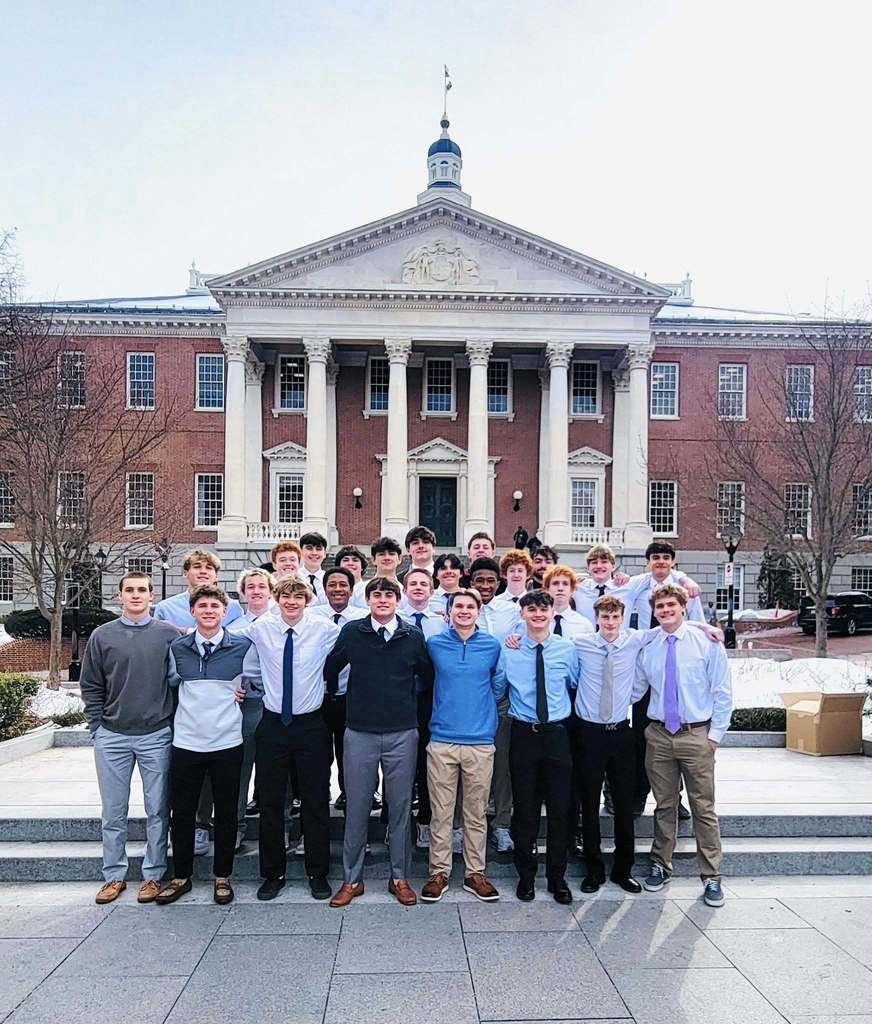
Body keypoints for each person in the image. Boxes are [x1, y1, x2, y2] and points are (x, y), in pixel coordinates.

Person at [325, 577, 434, 908]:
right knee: (357, 805)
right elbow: (332, 667)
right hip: (360, 731)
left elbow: (426, 676)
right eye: (377, 595)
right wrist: (344, 699)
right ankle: (351, 879)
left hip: (402, 731)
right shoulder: (353, 632)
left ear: (397, 600)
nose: (383, 600)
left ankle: (399, 876)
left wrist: (402, 700)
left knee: (400, 806)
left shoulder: (412, 636)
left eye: (389, 595)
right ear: (369, 599)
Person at [81, 571, 179, 905]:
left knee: (157, 809)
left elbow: (180, 680)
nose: (136, 595)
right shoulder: (101, 636)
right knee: (113, 810)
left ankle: (153, 875)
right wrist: (97, 726)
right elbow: (91, 684)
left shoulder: (168, 635)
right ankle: (113, 876)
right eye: (129, 590)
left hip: (156, 735)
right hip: (113, 735)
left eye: (142, 590)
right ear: (120, 595)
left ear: (152, 596)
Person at [156, 584, 257, 906]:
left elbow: (257, 683)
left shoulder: (242, 646)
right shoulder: (178, 648)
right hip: (187, 742)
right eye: (203, 606)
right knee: (183, 812)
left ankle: (222, 876)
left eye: (215, 606)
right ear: (193, 611)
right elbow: (170, 686)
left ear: (225, 612)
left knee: (226, 813)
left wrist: (247, 692)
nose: (209, 611)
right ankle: (181, 875)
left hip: (227, 741)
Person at [635, 583, 733, 908]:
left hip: (696, 735)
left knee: (703, 808)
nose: (665, 611)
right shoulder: (649, 644)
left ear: (682, 607)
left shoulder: (706, 642)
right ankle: (661, 865)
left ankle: (711, 876)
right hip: (660, 735)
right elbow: (635, 688)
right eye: (660, 607)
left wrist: (715, 736)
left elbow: (722, 691)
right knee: (664, 805)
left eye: (671, 606)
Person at [249, 578, 339, 901]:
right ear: (276, 599)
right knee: (272, 801)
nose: (291, 601)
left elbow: (353, 642)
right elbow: (224, 641)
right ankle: (273, 873)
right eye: (285, 596)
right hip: (273, 725)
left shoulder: (324, 628)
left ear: (307, 600)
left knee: (315, 799)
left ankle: (318, 872)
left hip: (311, 725)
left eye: (298, 596)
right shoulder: (261, 628)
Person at [494, 590, 578, 904]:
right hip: (524, 735)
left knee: (559, 809)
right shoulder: (509, 649)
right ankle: (526, 877)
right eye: (531, 609)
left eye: (543, 609)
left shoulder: (567, 650)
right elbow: (498, 688)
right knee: (525, 810)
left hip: (557, 735)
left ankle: (557, 877)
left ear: (552, 612)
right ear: (523, 613)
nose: (538, 614)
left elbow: (576, 684)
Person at [421, 589, 502, 903]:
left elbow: (497, 685)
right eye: (459, 607)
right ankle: (438, 872)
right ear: (449, 612)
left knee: (476, 813)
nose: (464, 611)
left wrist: (481, 714)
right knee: (441, 813)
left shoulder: (492, 646)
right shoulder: (435, 645)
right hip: (442, 740)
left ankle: (474, 873)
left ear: (478, 612)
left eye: (470, 606)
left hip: (480, 742)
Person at [469, 556, 519, 854]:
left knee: (502, 765)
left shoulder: (511, 611)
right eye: (479, 581)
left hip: (500, 699)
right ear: (470, 582)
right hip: (469, 699)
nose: (485, 586)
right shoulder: (461, 608)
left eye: (490, 581)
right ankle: (466, 825)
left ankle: (501, 824)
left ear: (499, 582)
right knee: (468, 764)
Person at [309, 566, 368, 812]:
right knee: (319, 755)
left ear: (351, 590)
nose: (337, 589)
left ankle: (350, 794)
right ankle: (316, 796)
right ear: (324, 589)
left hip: (351, 696)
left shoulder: (363, 618)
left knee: (351, 754)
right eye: (332, 585)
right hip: (318, 696)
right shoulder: (311, 615)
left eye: (343, 585)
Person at [398, 567, 448, 850]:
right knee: (400, 762)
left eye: (423, 584)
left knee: (429, 761)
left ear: (432, 590)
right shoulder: (395, 619)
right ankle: (397, 823)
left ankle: (426, 820)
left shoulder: (441, 623)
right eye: (412, 583)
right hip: (400, 699)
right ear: (405, 589)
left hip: (431, 699)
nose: (418, 588)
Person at [227, 568, 274, 849]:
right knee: (240, 770)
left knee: (276, 772)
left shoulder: (283, 624)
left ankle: (280, 828)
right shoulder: (232, 630)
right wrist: (230, 687)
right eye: (251, 587)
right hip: (245, 707)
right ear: (243, 593)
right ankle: (235, 826)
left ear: (271, 591)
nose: (256, 591)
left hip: (275, 706)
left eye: (262, 586)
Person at [153, 549, 244, 631]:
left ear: (216, 576)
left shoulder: (232, 608)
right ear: (185, 573)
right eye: (197, 567)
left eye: (209, 568)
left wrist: (182, 630)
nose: (203, 571)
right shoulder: (166, 609)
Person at [350, 536, 403, 607]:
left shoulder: (406, 593)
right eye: (381, 554)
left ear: (399, 559)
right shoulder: (357, 591)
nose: (387, 558)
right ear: (373, 560)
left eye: (391, 554)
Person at [299, 531, 328, 602]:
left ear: (324, 554)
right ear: (301, 552)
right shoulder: (294, 578)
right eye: (309, 548)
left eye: (318, 549)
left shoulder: (329, 579)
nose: (314, 553)